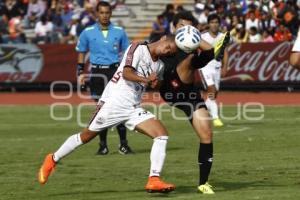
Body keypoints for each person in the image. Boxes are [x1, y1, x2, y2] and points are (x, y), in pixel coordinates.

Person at [38, 34, 178, 193]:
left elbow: (157, 83)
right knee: (86, 136)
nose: (166, 51)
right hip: (114, 102)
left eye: (169, 52)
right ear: (164, 38)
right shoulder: (138, 48)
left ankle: (154, 180)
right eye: (168, 47)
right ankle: (52, 159)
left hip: (133, 107)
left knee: (161, 134)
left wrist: (155, 82)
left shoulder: (159, 65)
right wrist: (146, 80)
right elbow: (126, 73)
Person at [158, 11, 230, 194]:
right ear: (174, 27)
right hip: (171, 89)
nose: (187, 30)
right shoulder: (164, 41)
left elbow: (207, 52)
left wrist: (214, 48)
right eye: (182, 26)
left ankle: (203, 183)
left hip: (189, 94)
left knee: (206, 133)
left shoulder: (192, 40)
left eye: (190, 27)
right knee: (191, 60)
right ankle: (214, 50)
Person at [76, 1, 132, 155]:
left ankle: (123, 145)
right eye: (102, 12)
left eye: (107, 12)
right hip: (97, 74)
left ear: (111, 13)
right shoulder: (87, 32)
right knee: (101, 111)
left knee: (120, 108)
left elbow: (128, 53)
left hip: (115, 73)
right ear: (97, 13)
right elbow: (81, 51)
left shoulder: (120, 31)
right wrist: (80, 72)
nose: (105, 15)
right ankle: (103, 146)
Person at [199, 14, 229, 127]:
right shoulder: (203, 36)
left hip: (217, 67)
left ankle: (202, 111)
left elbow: (225, 52)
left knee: (214, 94)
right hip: (205, 66)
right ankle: (216, 119)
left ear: (219, 24)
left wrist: (225, 67)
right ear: (208, 24)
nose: (214, 24)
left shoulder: (223, 36)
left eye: (216, 22)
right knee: (211, 90)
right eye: (212, 22)